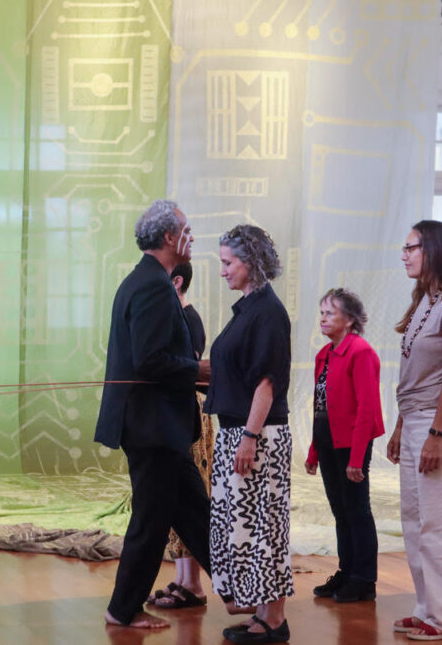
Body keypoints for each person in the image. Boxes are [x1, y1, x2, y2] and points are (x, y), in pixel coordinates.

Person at [94, 199, 211, 630]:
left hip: (159, 427)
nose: (192, 236)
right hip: (152, 427)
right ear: (168, 237)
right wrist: (197, 369)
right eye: (187, 228)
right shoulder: (153, 285)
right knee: (151, 521)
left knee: (197, 516)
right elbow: (149, 360)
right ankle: (122, 610)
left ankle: (247, 596)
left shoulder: (148, 281)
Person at [203, 225, 293, 644]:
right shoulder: (249, 307)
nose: (223, 271)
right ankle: (262, 613)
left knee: (264, 529)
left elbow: (267, 382)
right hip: (239, 432)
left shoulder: (268, 312)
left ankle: (274, 620)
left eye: (228, 263)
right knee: (248, 529)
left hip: (258, 437)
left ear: (250, 262)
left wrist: (249, 438)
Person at [387, 220, 442, 641]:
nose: (404, 255)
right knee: (416, 521)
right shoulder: (425, 299)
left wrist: (436, 435)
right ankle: (428, 609)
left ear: (433, 249)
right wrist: (402, 426)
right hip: (417, 419)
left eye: (410, 247)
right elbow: (415, 374)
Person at [304, 288, 384, 603]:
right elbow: (319, 407)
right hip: (328, 441)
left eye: (330, 313)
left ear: (349, 319)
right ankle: (347, 571)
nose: (323, 319)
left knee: (357, 510)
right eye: (322, 313)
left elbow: (367, 407)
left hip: (351, 444)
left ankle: (364, 579)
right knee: (341, 511)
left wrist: (356, 458)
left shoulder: (360, 351)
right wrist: (313, 451)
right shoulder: (324, 355)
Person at [146, 262, 214, 608]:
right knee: (178, 501)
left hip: (190, 419)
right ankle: (184, 580)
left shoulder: (189, 318)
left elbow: (189, 372)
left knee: (190, 498)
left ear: (176, 281)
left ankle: (195, 585)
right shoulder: (176, 316)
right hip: (176, 416)